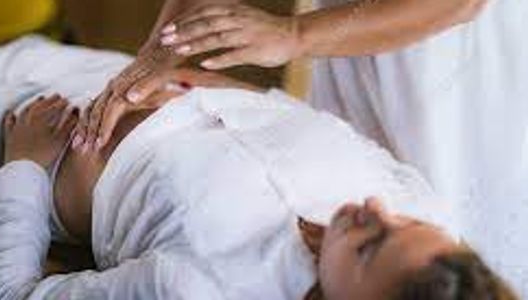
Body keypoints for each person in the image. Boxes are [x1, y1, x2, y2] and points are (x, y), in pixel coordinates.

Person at [0, 37, 515, 299]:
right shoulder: (430, 219)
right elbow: (305, 127)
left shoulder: (207, 290)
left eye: (369, 247)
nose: (374, 209)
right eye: (407, 224)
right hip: (100, 73)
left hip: (17, 139)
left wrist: (24, 166)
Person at [73, 0, 528, 295]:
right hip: (359, 42)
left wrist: (295, 35)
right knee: (344, 193)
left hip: (452, 55)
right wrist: (166, 44)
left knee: (424, 253)